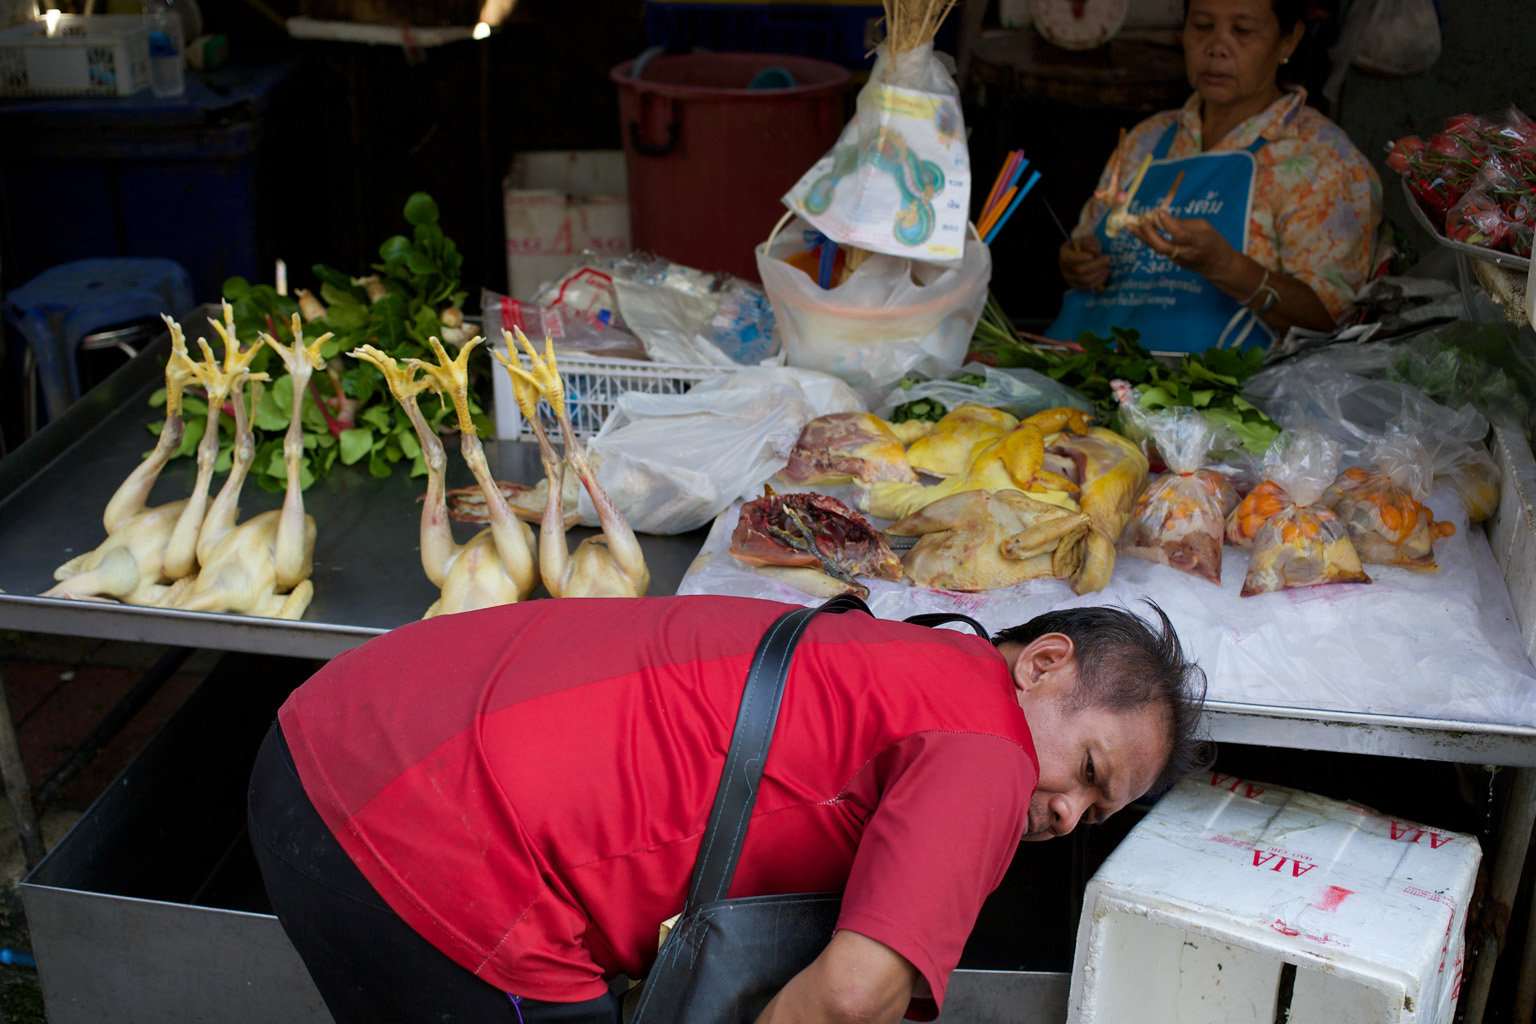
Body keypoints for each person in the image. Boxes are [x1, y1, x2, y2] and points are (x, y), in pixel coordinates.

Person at [248, 595, 1209, 1024]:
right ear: (1041, 662)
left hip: (332, 737)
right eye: (1085, 765)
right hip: (432, 843)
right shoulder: (987, 746)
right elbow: (850, 997)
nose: (1065, 810)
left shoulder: (894, 657)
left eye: (1094, 812)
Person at [1047, 0, 1382, 353]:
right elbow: (1087, 242)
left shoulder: (1324, 161)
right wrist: (1081, 263)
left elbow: (1333, 319)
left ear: (1288, 40)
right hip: (1092, 367)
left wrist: (1227, 268)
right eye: (1203, 25)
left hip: (1226, 395)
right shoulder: (1146, 138)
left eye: (1243, 30)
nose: (1217, 48)